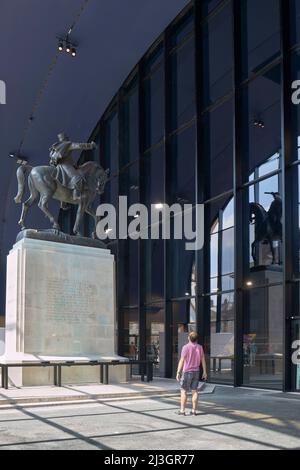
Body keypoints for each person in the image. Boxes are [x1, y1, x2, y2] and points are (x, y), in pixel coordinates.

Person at [49, 132, 96, 208]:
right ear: (66, 138)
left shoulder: (57, 146)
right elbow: (79, 146)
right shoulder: (67, 144)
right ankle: (75, 196)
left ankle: (63, 202)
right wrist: (91, 145)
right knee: (77, 178)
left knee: (64, 181)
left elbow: (52, 156)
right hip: (66, 165)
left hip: (59, 167)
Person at [176, 331, 207, 416]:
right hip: (196, 372)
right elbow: (203, 360)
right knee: (195, 391)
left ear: (189, 338)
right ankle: (194, 411)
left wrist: (178, 372)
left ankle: (182, 410)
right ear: (196, 339)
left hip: (187, 372)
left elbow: (182, 360)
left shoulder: (185, 347)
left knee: (183, 391)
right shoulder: (200, 347)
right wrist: (204, 371)